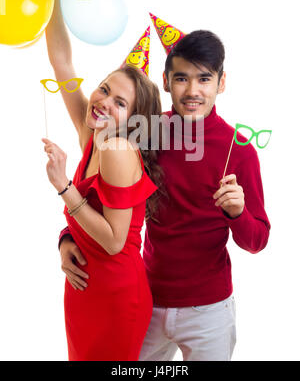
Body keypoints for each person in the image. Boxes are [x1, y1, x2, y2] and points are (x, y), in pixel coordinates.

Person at [58, 28, 271, 361]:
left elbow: (257, 240)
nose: (192, 90)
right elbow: (113, 194)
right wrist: (68, 236)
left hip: (208, 312)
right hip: (148, 298)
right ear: (166, 80)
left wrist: (237, 213)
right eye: (181, 78)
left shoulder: (238, 150)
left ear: (222, 82)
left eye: (204, 79)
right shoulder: (147, 133)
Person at [42, 0, 163, 361]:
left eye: (120, 103)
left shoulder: (117, 151)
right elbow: (62, 62)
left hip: (116, 299)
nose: (104, 102)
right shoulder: (92, 133)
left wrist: (63, 186)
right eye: (105, 89)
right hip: (84, 289)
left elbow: (113, 242)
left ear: (134, 121)